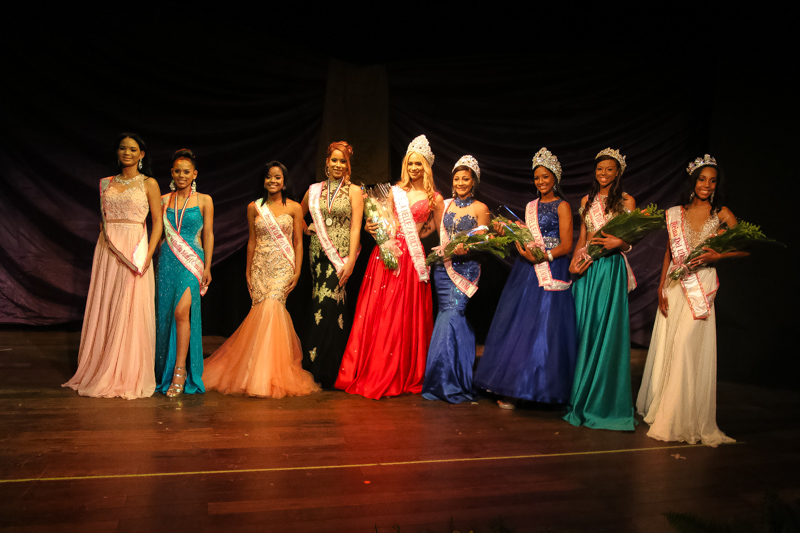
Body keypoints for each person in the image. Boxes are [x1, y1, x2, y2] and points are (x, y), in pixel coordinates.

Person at [637, 155, 744, 446]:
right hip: (674, 284)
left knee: (685, 343)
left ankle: (678, 417)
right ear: (693, 182)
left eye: (712, 181)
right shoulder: (676, 213)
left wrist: (718, 255)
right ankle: (666, 409)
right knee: (669, 345)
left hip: (701, 284)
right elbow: (669, 252)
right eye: (702, 179)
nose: (707, 185)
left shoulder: (722, 214)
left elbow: (745, 246)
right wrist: (660, 287)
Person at [336, 135, 443, 399]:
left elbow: (438, 229)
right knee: (381, 310)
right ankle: (376, 367)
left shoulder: (435, 198)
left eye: (418, 164)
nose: (414, 168)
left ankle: (401, 369)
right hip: (387, 253)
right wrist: (372, 227)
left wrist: (420, 235)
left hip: (412, 258)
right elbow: (383, 220)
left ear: (427, 167)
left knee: (403, 313)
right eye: (410, 163)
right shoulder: (395, 192)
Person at [203, 162, 319, 398]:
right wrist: (248, 272)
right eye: (268, 177)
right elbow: (252, 241)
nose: (272, 181)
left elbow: (298, 242)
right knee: (261, 314)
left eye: (277, 177)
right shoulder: (254, 207)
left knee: (273, 309)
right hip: (260, 266)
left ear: (284, 182)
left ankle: (269, 374)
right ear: (264, 181)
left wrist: (297, 270)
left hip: (283, 266)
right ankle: (253, 372)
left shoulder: (294, 207)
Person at [474, 147, 576, 409]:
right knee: (523, 326)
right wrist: (510, 231)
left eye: (545, 177)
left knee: (548, 328)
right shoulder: (531, 206)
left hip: (552, 267)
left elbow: (567, 245)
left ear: (555, 177)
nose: (541, 182)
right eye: (537, 177)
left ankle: (546, 388)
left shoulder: (563, 206)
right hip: (527, 270)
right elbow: (527, 237)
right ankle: (515, 388)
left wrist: (544, 257)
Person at [63, 133, 163, 399]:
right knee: (107, 303)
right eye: (122, 148)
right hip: (108, 250)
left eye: (133, 149)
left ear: (142, 154)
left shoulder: (149, 183)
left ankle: (127, 372)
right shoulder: (106, 183)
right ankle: (101, 367)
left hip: (135, 250)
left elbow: (157, 223)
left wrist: (148, 254)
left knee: (129, 306)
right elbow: (103, 220)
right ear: (117, 152)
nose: (127, 153)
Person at [564, 148, 637, 431]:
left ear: (618, 172)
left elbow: (631, 240)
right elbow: (583, 236)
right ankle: (576, 393)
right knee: (582, 327)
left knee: (603, 329)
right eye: (599, 169)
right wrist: (574, 263)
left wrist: (620, 244)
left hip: (609, 269)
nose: (604, 173)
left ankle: (599, 398)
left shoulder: (627, 201)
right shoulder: (587, 200)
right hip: (587, 268)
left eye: (609, 169)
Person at [422, 156, 490, 403]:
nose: (460, 183)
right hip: (443, 269)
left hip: (466, 269)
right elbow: (428, 230)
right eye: (457, 179)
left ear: (473, 182)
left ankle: (449, 380)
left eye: (465, 179)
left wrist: (467, 249)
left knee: (453, 315)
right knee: (448, 316)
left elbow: (485, 243)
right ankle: (449, 379)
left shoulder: (481, 208)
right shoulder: (445, 205)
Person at [300, 141, 363, 389]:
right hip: (318, 254)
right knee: (321, 304)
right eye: (334, 160)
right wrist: (307, 229)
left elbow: (356, 227)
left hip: (341, 257)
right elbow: (296, 214)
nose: (338, 165)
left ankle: (327, 368)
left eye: (342, 161)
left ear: (348, 165)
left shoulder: (354, 191)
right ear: (327, 162)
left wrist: (351, 261)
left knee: (331, 306)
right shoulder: (314, 190)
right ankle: (320, 368)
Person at [154, 149, 214, 397]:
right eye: (177, 171)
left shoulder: (204, 200)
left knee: (182, 312)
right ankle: (163, 371)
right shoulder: (163, 200)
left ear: (194, 174)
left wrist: (208, 266)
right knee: (166, 316)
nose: (181, 175)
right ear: (171, 173)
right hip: (167, 261)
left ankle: (180, 371)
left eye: (186, 171)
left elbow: (208, 233)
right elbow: (157, 233)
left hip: (191, 262)